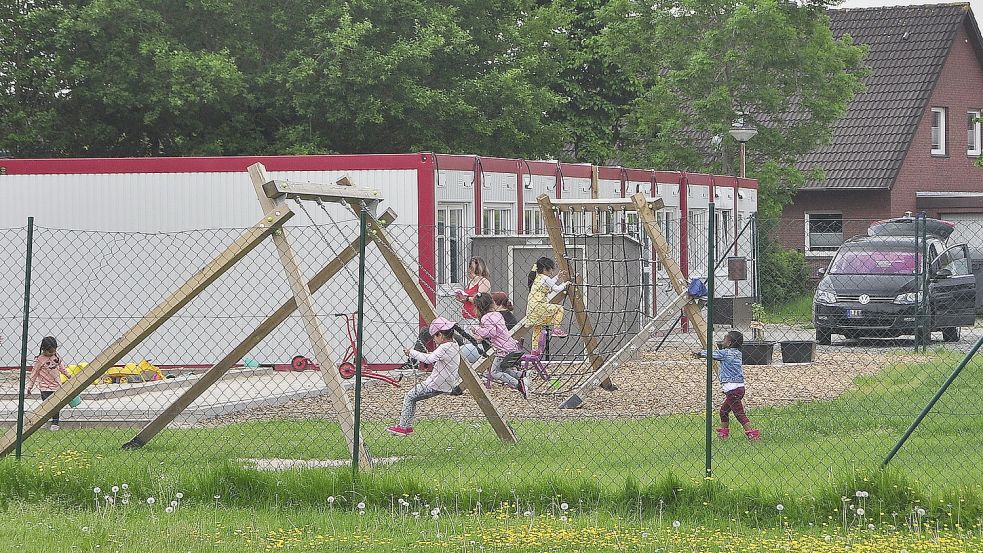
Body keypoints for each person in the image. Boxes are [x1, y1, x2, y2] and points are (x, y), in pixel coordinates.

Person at [387, 317, 462, 436]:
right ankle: (406, 426)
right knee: (413, 398)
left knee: (409, 396)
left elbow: (429, 359)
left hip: (435, 383)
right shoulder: (454, 345)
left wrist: (412, 352)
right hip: (446, 383)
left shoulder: (444, 347)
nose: (434, 340)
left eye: (434, 337)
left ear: (441, 335)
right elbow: (436, 357)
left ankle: (403, 427)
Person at [694, 331, 760, 441]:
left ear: (729, 343)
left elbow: (712, 354)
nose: (722, 341)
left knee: (739, 414)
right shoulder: (738, 353)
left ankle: (752, 434)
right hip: (739, 388)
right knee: (723, 412)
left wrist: (700, 354)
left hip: (732, 389)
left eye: (724, 339)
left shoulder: (725, 353)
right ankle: (723, 434)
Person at [472, 293, 530, 398]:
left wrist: (477, 330)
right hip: (511, 346)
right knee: (504, 370)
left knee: (494, 372)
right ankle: (523, 375)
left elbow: (492, 332)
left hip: (503, 349)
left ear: (478, 307)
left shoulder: (485, 318)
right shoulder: (497, 314)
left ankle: (518, 384)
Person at [26, 336, 71, 431]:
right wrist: (30, 386)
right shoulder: (40, 360)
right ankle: (44, 421)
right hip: (45, 387)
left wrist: (68, 375)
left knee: (56, 406)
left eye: (54, 351)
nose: (52, 353)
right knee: (46, 405)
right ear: (43, 349)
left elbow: (62, 368)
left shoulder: (56, 356)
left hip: (57, 386)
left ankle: (55, 423)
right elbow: (34, 374)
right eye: (50, 352)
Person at [526, 257, 571, 349]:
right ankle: (556, 329)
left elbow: (549, 283)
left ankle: (534, 349)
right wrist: (565, 283)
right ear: (546, 269)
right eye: (551, 269)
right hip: (540, 305)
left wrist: (557, 277)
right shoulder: (545, 278)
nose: (552, 271)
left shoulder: (538, 277)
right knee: (559, 309)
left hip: (532, 307)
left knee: (537, 327)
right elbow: (556, 288)